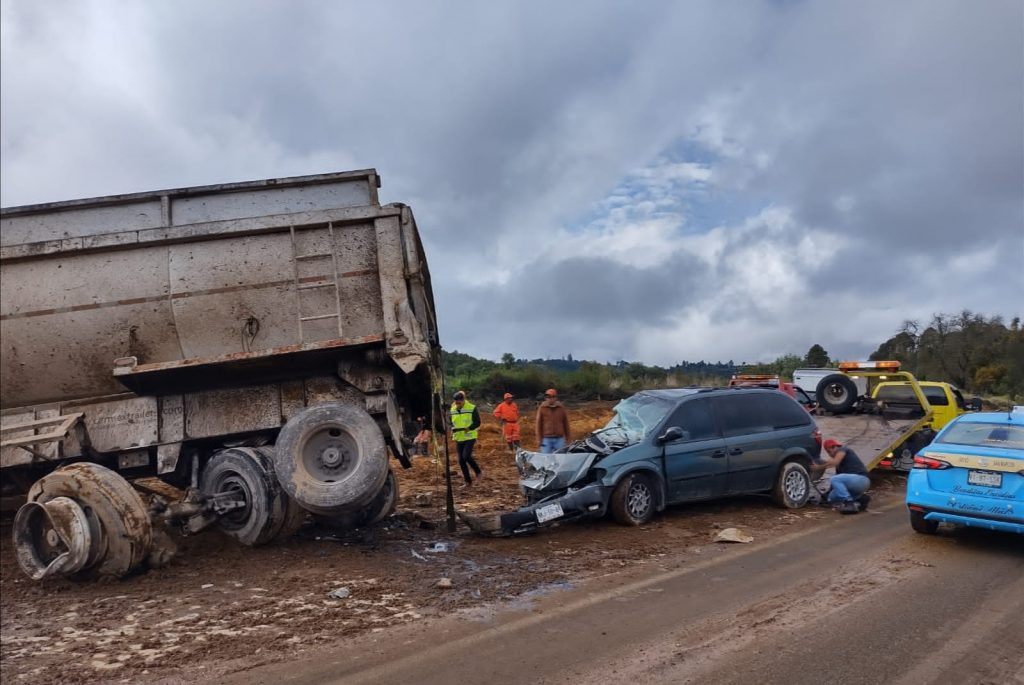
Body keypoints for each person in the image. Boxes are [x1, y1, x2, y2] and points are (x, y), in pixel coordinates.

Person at [814, 438, 871, 514]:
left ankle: (849, 503)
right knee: (831, 498)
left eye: (829, 451)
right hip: (853, 486)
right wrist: (826, 496)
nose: (829, 454)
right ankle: (860, 499)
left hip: (861, 479)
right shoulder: (840, 467)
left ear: (834, 447)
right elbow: (836, 485)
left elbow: (835, 462)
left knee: (835, 479)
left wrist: (818, 467)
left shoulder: (843, 449)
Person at [450, 391, 482, 487]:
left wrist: (470, 428)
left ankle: (478, 472)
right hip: (459, 436)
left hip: (469, 435)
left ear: (463, 400)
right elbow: (451, 422)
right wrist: (451, 428)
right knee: (461, 460)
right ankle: (468, 482)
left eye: (459, 402)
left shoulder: (472, 408)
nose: (457, 404)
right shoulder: (453, 409)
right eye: (456, 402)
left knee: (466, 456)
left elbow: (477, 422)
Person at [535, 388, 570, 453]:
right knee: (546, 458)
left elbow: (566, 424)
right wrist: (539, 439)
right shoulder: (542, 408)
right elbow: (538, 425)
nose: (549, 399)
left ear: (555, 398)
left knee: (561, 459)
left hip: (559, 439)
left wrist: (568, 438)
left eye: (551, 397)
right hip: (546, 439)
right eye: (547, 397)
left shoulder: (561, 408)